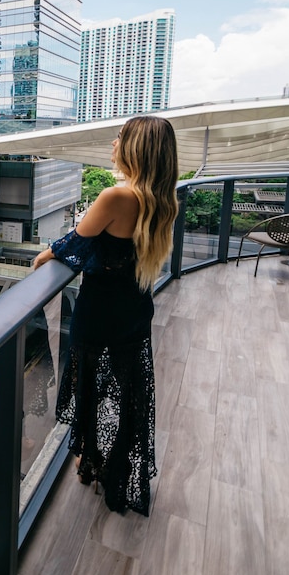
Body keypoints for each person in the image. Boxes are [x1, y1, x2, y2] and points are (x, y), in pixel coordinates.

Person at [33, 115, 178, 516]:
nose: (113, 144)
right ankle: (116, 469)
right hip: (135, 311)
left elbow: (75, 245)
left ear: (135, 148)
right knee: (127, 393)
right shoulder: (162, 200)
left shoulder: (116, 197)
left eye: (119, 138)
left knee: (91, 390)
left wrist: (46, 253)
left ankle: (91, 462)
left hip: (99, 313)